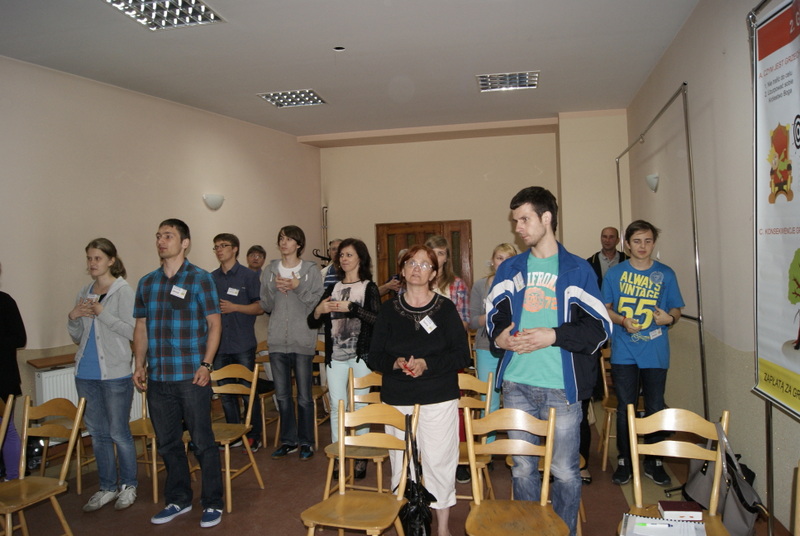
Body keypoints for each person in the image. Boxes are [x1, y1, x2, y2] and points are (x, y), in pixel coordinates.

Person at [486, 186, 611, 536]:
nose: (518, 228)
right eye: (515, 221)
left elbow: (599, 329)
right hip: (517, 385)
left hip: (561, 388)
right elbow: (495, 315)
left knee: (565, 472)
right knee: (523, 469)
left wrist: (553, 335)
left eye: (524, 219)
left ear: (547, 218)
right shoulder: (511, 268)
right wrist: (500, 337)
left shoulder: (578, 269)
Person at [369, 245, 471, 536]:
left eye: (425, 264)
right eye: (411, 263)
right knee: (401, 463)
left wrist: (428, 364)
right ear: (402, 270)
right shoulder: (388, 310)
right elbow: (374, 356)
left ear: (434, 274)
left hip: (438, 397)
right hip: (397, 398)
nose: (417, 268)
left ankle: (442, 528)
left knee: (439, 461)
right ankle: (409, 524)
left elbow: (462, 356)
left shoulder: (445, 309)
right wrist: (395, 363)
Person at [132, 218, 224, 528]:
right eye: (159, 236)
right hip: (159, 378)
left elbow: (214, 324)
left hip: (191, 376)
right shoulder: (147, 283)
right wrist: (139, 364)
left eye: (168, 236)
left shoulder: (200, 279)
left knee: (202, 442)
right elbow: (141, 326)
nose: (161, 241)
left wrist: (206, 364)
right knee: (168, 443)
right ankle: (178, 499)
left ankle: (212, 502)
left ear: (184, 243)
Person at [602, 220, 684, 487]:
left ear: (653, 243)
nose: (642, 246)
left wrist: (669, 319)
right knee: (625, 407)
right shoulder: (615, 274)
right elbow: (605, 309)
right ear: (627, 244)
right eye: (637, 241)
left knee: (655, 406)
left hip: (655, 351)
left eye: (648, 241)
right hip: (624, 351)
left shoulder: (666, 274)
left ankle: (654, 461)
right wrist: (622, 321)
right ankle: (625, 459)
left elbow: (676, 309)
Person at [67, 238, 138, 512]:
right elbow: (78, 336)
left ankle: (129, 485)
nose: (92, 263)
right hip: (86, 373)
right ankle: (107, 487)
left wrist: (103, 314)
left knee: (119, 432)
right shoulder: (84, 292)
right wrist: (73, 317)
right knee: (97, 434)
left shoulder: (123, 291)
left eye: (97, 258)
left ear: (111, 260)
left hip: (115, 373)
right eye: (89, 258)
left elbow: (133, 331)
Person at [307, 238, 380, 479]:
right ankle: (339, 454)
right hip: (335, 357)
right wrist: (319, 310)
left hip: (360, 357)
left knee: (359, 407)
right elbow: (312, 321)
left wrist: (353, 309)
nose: (344, 259)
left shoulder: (369, 287)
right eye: (341, 255)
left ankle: (361, 455)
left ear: (360, 258)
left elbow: (378, 321)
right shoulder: (333, 288)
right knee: (338, 407)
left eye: (349, 254)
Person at [260, 225, 324, 461]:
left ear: (299, 244)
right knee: (283, 396)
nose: (284, 242)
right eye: (281, 238)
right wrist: (272, 287)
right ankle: (288, 441)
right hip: (277, 341)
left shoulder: (311, 271)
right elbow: (266, 305)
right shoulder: (270, 270)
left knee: (304, 397)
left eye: (289, 239)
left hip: (302, 340)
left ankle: (306, 441)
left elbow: (316, 304)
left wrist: (298, 287)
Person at [581, 227, 628, 485]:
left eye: (612, 237)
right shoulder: (590, 262)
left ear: (617, 240)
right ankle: (597, 391)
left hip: (623, 319)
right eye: (604, 236)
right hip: (598, 319)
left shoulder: (626, 262)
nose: (608, 240)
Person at [211, 233, 264, 452]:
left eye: (223, 245)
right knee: (226, 394)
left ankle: (253, 435)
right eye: (216, 247)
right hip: (219, 345)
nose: (219, 250)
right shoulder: (211, 278)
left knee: (247, 392)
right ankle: (233, 434)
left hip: (242, 343)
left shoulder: (248, 276)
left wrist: (235, 307)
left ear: (235, 249)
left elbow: (260, 307)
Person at [468, 243, 517, 431]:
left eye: (508, 259)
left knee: (516, 402)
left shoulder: (521, 285)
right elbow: (472, 322)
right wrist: (493, 314)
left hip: (514, 348)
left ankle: (517, 446)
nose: (503, 263)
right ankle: (487, 445)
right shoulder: (480, 286)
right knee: (489, 402)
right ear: (492, 261)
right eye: (499, 258)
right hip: (485, 348)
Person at [0, 263, 25, 482]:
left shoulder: (5, 302)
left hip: (3, 378)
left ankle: (13, 478)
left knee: (6, 428)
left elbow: (19, 338)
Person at [425, 235, 469, 327]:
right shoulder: (415, 282)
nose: (435, 257)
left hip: (449, 333)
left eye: (440, 253)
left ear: (446, 258)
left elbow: (464, 320)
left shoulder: (458, 284)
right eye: (432, 252)